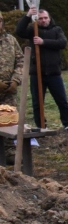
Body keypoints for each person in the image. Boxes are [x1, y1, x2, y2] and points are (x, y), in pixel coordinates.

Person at [15, 7, 68, 132]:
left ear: (49, 18)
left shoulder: (56, 30)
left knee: (62, 101)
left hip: (54, 73)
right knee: (38, 103)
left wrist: (43, 42)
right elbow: (19, 31)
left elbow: (62, 43)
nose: (43, 20)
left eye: (45, 18)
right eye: (41, 18)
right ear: (37, 20)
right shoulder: (33, 31)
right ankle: (41, 126)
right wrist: (27, 16)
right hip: (37, 73)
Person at [0, 11, 23, 164]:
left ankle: (10, 151)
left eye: (0, 21)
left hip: (8, 90)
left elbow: (20, 60)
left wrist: (15, 80)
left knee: (9, 119)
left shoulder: (10, 40)